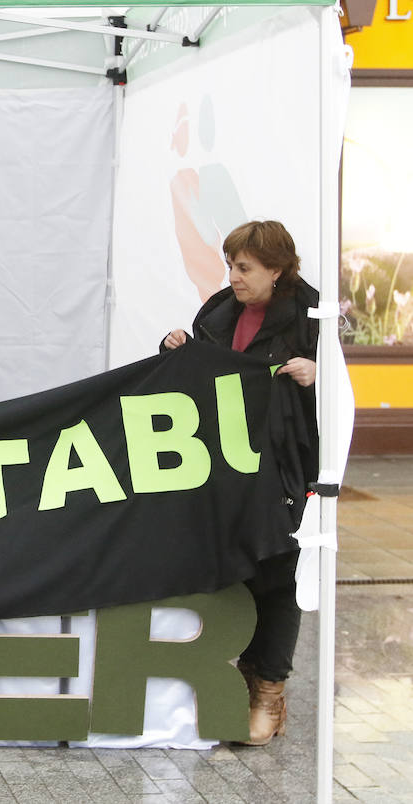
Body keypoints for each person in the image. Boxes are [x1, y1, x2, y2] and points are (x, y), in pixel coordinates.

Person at [161, 219, 317, 746]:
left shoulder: (311, 316)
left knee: (278, 570)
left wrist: (320, 377)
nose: (234, 276)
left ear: (277, 270)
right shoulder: (216, 311)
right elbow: (198, 383)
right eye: (230, 265)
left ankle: (268, 692)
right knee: (238, 570)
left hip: (284, 471)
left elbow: (346, 392)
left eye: (245, 267)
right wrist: (174, 348)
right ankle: (244, 679)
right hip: (225, 468)